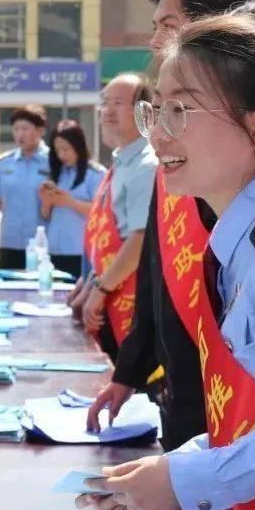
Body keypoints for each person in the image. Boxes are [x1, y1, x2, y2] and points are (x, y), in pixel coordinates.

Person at [78, 8, 255, 510]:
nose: (159, 133)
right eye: (155, 110)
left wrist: (186, 479)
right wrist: (181, 469)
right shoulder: (239, 239)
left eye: (182, 110)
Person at [86, 0, 254, 451]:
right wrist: (127, 372)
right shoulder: (173, 145)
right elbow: (158, 272)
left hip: (239, 403)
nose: (156, 42)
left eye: (169, 26)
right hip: (182, 394)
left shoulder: (238, 160)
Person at [77, 74, 157, 359]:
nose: (108, 110)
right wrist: (88, 285)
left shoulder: (147, 164)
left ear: (143, 111)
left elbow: (138, 240)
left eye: (118, 103)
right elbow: (105, 235)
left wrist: (100, 289)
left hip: (132, 296)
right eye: (105, 103)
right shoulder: (122, 159)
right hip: (111, 291)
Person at [39, 120, 105, 278]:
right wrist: (46, 203)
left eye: (66, 149)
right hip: (54, 251)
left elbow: (101, 213)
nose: (62, 155)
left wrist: (70, 202)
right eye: (57, 150)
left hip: (80, 252)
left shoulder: (95, 174)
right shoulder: (58, 173)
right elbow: (46, 216)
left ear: (78, 146)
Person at [0, 105, 50, 270]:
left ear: (40, 130)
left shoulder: (52, 162)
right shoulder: (4, 162)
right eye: (16, 129)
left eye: (25, 128)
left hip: (42, 244)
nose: (20, 134)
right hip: (10, 241)